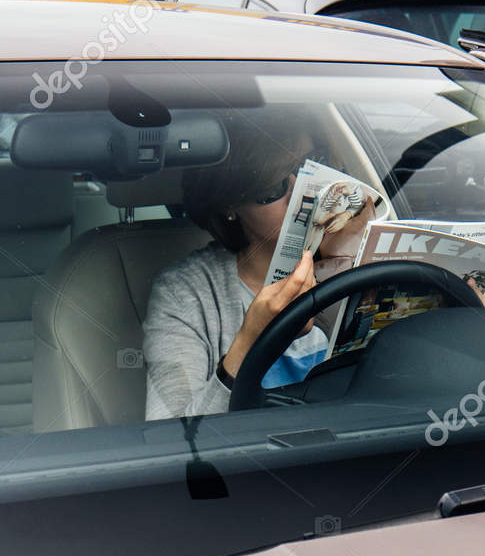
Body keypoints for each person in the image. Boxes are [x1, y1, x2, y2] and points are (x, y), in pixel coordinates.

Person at [143, 109, 340, 419]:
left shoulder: (352, 259)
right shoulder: (185, 292)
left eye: (309, 168)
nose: (303, 194)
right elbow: (173, 437)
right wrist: (251, 339)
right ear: (230, 205)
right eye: (273, 189)